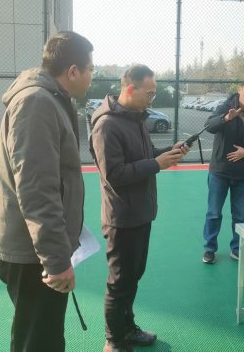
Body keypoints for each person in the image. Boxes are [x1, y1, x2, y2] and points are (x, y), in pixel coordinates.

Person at [0, 31, 94, 352]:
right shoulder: (37, 102)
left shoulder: (50, 99)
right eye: (90, 69)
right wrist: (55, 259)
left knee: (42, 337)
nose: (92, 77)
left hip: (36, 250)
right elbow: (37, 189)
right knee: (39, 342)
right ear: (73, 71)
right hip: (33, 255)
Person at [90, 64, 188, 352]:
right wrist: (156, 164)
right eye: (149, 93)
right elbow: (115, 174)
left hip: (140, 213)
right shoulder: (107, 125)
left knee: (132, 277)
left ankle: (127, 328)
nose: (152, 99)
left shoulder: (135, 119)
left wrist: (166, 153)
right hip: (121, 218)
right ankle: (114, 340)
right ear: (130, 89)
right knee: (119, 282)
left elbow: (143, 156)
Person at [201, 79, 244, 266]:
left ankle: (237, 250)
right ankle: (209, 248)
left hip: (242, 173)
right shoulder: (225, 107)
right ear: (239, 90)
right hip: (220, 171)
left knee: (239, 216)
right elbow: (209, 126)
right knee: (214, 213)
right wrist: (226, 118)